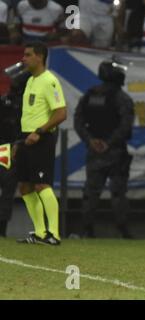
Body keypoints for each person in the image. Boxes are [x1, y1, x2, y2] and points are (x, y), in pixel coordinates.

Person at [74, 60, 134, 239]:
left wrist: (91, 140)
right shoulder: (122, 98)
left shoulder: (89, 95)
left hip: (95, 152)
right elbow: (126, 125)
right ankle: (122, 230)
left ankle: (86, 229)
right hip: (115, 152)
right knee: (118, 193)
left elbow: (78, 121)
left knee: (91, 192)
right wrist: (108, 142)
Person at [15, 41, 67, 245]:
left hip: (41, 139)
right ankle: (39, 232)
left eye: (28, 55)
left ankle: (54, 234)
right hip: (26, 138)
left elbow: (61, 113)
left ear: (40, 57)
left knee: (41, 184)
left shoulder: (49, 81)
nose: (23, 58)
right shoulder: (30, 81)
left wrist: (39, 132)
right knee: (25, 187)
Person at [0, 70, 28, 237]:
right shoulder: (24, 104)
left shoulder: (4, 101)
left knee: (8, 191)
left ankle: (2, 229)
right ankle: (2, 230)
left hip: (6, 147)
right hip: (12, 148)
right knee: (8, 191)